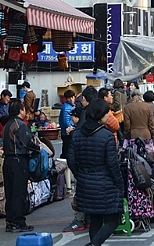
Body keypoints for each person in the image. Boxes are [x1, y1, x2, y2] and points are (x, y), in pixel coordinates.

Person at [68, 99, 124, 246]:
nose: (108, 115)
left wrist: (80, 175)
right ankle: (94, 244)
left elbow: (71, 161)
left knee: (95, 219)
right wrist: (119, 183)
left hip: (85, 182)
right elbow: (112, 164)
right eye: (107, 113)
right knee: (113, 220)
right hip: (104, 182)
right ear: (100, 115)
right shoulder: (106, 135)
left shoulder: (77, 134)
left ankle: (94, 243)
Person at [62, 86, 98, 233]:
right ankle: (88, 218)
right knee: (89, 190)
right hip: (94, 159)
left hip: (84, 160)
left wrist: (73, 133)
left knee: (82, 190)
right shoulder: (96, 112)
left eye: (82, 98)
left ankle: (79, 220)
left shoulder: (86, 115)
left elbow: (81, 137)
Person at [2, 98, 40, 232]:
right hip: (18, 160)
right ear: (20, 110)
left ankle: (10, 221)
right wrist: (38, 149)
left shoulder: (7, 124)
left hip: (7, 161)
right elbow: (27, 143)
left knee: (10, 192)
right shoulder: (20, 125)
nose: (25, 111)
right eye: (23, 109)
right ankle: (18, 222)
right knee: (19, 192)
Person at [59, 90, 77, 159]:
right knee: (67, 150)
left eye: (72, 97)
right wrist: (71, 128)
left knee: (66, 149)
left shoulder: (70, 106)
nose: (71, 99)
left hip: (66, 131)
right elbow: (66, 120)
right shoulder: (67, 107)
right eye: (69, 98)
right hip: (67, 132)